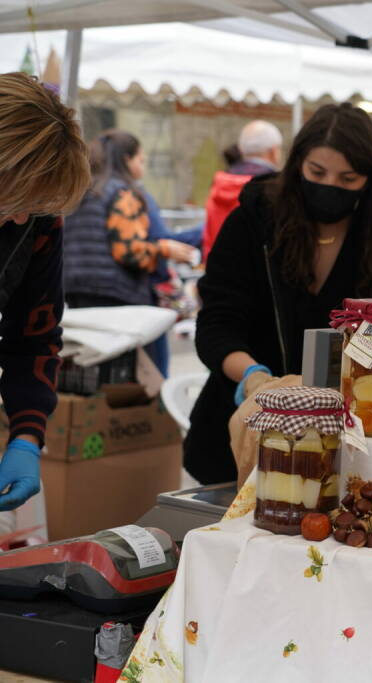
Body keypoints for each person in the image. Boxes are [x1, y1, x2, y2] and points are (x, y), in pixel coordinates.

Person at [187, 104, 372, 484]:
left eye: (348, 178)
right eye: (317, 172)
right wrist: (252, 377)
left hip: (349, 448)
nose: (330, 185)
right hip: (238, 440)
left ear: (370, 179)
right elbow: (216, 323)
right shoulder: (252, 222)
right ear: (297, 163)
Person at [0, 73, 89, 512]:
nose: (19, 218)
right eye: (9, 200)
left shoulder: (36, 220)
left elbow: (35, 333)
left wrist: (26, 436)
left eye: (31, 205)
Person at [63, 131, 197, 365]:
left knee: (93, 365)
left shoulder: (82, 190)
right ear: (127, 159)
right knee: (130, 369)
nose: (142, 167)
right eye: (141, 160)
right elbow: (129, 251)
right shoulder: (122, 193)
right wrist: (163, 249)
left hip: (75, 290)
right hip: (117, 295)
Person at [201, 120, 283, 260]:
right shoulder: (275, 189)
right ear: (273, 151)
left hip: (219, 272)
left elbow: (208, 238)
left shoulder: (218, 185)